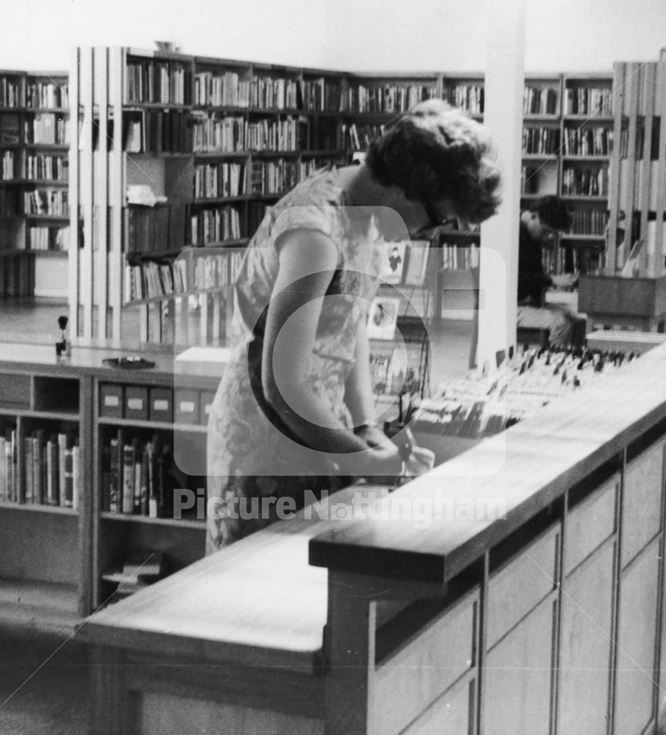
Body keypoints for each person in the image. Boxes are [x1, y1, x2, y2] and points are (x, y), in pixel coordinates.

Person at [204, 99, 503, 552]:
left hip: (317, 424)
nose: (431, 235)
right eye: (438, 219)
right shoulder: (314, 237)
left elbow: (351, 324)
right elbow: (280, 385)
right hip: (266, 439)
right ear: (407, 187)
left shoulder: (365, 214)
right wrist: (360, 458)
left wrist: (366, 427)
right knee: (260, 592)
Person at [517, 195, 572, 306]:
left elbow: (535, 277)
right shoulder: (513, 233)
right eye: (545, 232)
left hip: (524, 304)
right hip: (509, 309)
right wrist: (552, 280)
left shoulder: (531, 235)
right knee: (564, 320)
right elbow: (518, 281)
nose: (547, 238)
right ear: (533, 216)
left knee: (568, 315)